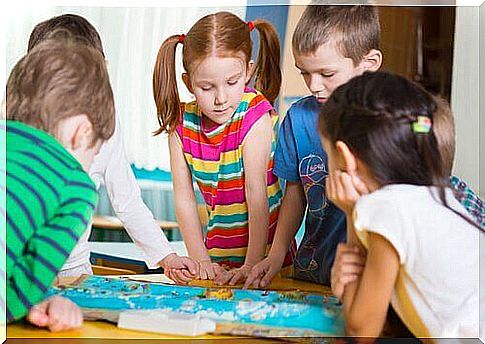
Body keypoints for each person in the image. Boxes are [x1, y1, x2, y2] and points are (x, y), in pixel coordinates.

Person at [27, 14, 198, 282]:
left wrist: (167, 257)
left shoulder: (106, 120)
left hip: (75, 272)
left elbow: (127, 200)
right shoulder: (18, 127)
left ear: (103, 70)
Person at [319, 71, 481, 338]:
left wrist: (352, 214)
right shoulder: (438, 199)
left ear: (344, 158)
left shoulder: (387, 207)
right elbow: (392, 320)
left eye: (327, 154)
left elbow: (361, 330)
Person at [245, 4, 382, 289]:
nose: (314, 85)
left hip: (367, 278)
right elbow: (294, 195)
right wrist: (276, 253)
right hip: (312, 271)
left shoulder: (389, 121)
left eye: (326, 74)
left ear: (368, 64)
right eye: (305, 73)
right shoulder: (297, 118)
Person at [152, 11, 295, 284]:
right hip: (217, 260)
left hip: (266, 263)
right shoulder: (180, 126)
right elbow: (184, 200)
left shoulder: (254, 114)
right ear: (188, 83)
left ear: (248, 71)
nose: (221, 98)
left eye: (231, 82)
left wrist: (253, 264)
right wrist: (201, 261)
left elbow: (257, 194)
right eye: (206, 87)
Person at [5, 31, 114, 331]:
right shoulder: (74, 184)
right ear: (83, 133)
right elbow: (27, 284)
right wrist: (31, 305)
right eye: (92, 156)